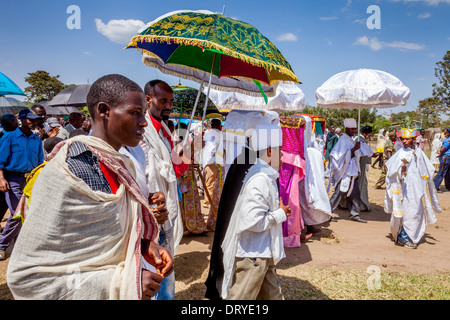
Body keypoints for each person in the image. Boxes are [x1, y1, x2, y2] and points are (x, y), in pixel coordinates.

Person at [7, 74, 172, 299]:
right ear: (103, 111)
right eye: (135, 113)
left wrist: (143, 245)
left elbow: (109, 235)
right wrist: (118, 284)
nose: (143, 122)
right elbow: (28, 277)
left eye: (143, 113)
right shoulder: (71, 170)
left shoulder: (120, 164)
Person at [220, 121, 289, 300]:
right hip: (254, 255)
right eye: (279, 150)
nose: (282, 155)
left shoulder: (264, 174)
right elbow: (252, 221)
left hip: (263, 253)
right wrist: (280, 213)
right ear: (269, 152)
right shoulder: (260, 179)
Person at [141, 79, 189, 300]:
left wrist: (183, 151)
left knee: (166, 269)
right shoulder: (141, 131)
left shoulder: (164, 132)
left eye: (171, 101)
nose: (168, 106)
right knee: (150, 273)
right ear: (148, 100)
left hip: (164, 209)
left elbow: (173, 168)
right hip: (147, 213)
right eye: (163, 100)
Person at [384, 128, 441, 249]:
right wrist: (400, 170)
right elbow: (390, 173)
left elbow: (428, 168)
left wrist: (426, 177)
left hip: (417, 189)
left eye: (407, 139)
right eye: (403, 139)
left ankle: (412, 236)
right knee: (408, 213)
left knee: (417, 213)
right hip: (405, 190)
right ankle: (402, 237)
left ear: (413, 139)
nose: (404, 141)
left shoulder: (419, 153)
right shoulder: (400, 153)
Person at [0, 109, 43, 261]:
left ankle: (19, 247)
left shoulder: (36, 139)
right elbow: (0, 161)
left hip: (30, 180)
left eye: (35, 120)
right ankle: (2, 245)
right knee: (18, 214)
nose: (34, 122)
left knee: (27, 214)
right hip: (13, 180)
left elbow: (39, 163)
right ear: (22, 120)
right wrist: (1, 179)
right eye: (31, 119)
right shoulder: (9, 137)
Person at [328, 118, 367, 223]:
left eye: (355, 129)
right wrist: (354, 150)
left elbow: (354, 154)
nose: (353, 131)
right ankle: (327, 213)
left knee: (355, 194)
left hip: (352, 172)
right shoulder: (343, 140)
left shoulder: (351, 139)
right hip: (345, 173)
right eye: (351, 129)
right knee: (339, 193)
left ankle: (354, 214)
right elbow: (338, 156)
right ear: (346, 129)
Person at [202, 118, 224, 230]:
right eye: (220, 124)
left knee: (209, 181)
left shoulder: (207, 133)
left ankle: (208, 200)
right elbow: (215, 148)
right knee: (211, 182)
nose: (221, 126)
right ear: (217, 125)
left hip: (207, 160)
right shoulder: (217, 134)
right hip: (212, 160)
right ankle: (208, 201)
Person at [0, 114, 19, 226]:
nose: (16, 122)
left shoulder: (17, 136)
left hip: (11, 177)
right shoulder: (3, 137)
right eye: (13, 121)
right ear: (4, 123)